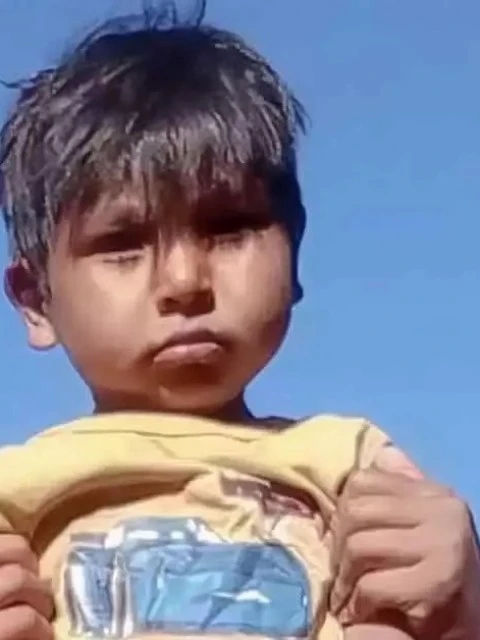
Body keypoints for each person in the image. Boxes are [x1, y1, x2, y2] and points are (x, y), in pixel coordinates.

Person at [0, 5, 479, 640]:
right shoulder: (17, 486)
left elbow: (423, 604)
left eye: (229, 230)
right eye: (122, 245)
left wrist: (460, 602)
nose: (184, 282)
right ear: (36, 300)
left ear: (295, 258)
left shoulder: (350, 463)